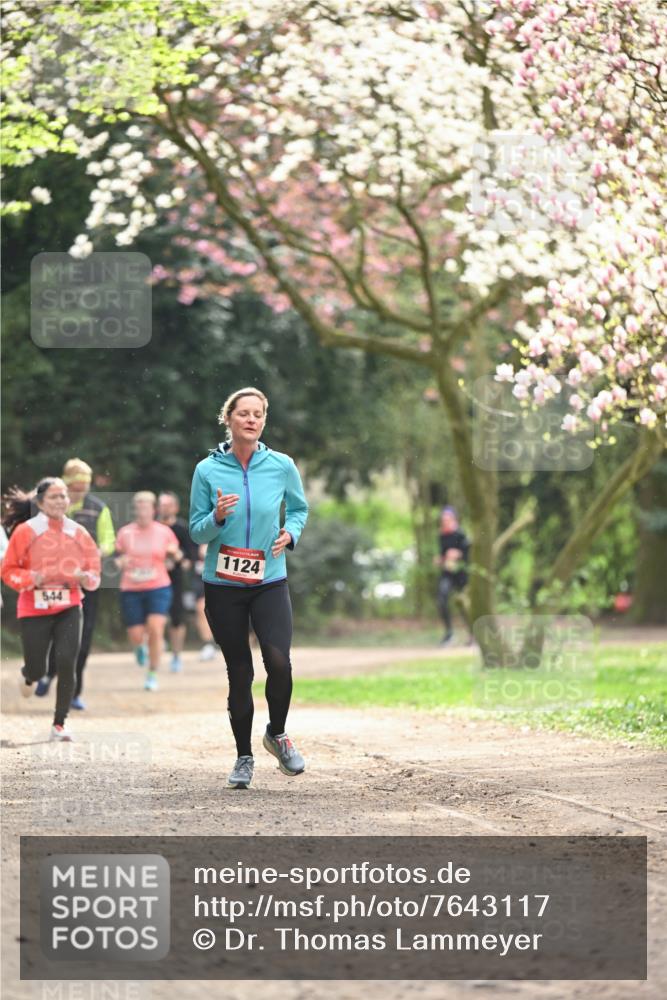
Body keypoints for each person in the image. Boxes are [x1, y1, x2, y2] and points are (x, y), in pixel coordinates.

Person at [189, 387, 309, 790]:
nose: (252, 420)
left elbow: (298, 508)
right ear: (229, 419)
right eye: (244, 413)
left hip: (269, 579)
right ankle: (243, 756)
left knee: (279, 660)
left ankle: (277, 733)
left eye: (258, 414)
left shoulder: (281, 465)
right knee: (239, 672)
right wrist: (217, 517)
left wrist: (289, 534)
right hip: (223, 584)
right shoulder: (207, 470)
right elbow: (196, 530)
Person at [1, 477, 101, 741]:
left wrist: (85, 578)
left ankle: (59, 724)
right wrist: (29, 579)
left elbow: (94, 571)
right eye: (54, 497)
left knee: (68, 660)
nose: (60, 501)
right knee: (38, 670)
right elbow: (8, 570)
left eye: (64, 496)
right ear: (41, 502)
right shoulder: (26, 531)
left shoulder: (78, 531)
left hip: (69, 604)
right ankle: (28, 673)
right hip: (34, 607)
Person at [38, 458, 116, 708]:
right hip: (57, 580)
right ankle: (49, 673)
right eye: (76, 485)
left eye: (84, 485)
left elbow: (109, 541)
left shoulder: (98, 508)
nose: (81, 489)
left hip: (87, 581)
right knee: (55, 629)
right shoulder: (55, 506)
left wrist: (95, 553)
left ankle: (74, 692)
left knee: (84, 635)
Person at [115, 491, 182, 692]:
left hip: (158, 585)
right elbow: (117, 558)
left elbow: (177, 553)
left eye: (146, 508)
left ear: (153, 510)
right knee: (136, 634)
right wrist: (121, 562)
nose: (142, 512)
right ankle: (138, 647)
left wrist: (174, 554)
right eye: (138, 508)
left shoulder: (164, 532)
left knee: (155, 627)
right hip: (131, 588)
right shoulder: (125, 533)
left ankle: (152, 673)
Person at [157, 491, 199, 673]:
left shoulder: (182, 528)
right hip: (152, 580)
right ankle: (154, 649)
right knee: (154, 617)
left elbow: (191, 558)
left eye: (167, 505)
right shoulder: (152, 527)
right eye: (161, 505)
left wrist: (178, 559)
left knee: (176, 618)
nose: (164, 508)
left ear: (175, 507)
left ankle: (176, 655)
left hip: (175, 580)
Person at [436, 505, 471, 646]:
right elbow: (443, 555)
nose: (445, 522)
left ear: (453, 519)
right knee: (442, 598)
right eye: (443, 519)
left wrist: (459, 554)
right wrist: (441, 559)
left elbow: (468, 556)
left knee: (464, 605)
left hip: (462, 574)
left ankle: (473, 634)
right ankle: (449, 633)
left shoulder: (461, 535)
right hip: (448, 573)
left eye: (447, 519)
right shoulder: (441, 536)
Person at [192, 543, 217, 660]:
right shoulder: (194, 533)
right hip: (201, 578)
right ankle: (208, 645)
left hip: (221, 578)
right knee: (201, 609)